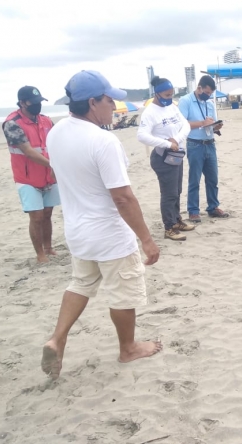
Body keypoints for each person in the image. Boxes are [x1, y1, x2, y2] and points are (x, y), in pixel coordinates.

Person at [43, 70, 162, 379]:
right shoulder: (102, 140)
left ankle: (57, 338)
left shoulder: (55, 133)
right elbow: (122, 197)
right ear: (93, 102)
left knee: (81, 282)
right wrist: (147, 239)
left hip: (77, 230)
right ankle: (128, 348)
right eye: (110, 101)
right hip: (108, 233)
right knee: (123, 291)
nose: (114, 107)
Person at [2, 86, 60, 263]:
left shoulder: (46, 121)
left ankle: (48, 247)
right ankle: (40, 254)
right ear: (22, 103)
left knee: (48, 213)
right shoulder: (12, 123)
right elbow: (27, 150)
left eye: (39, 102)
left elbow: (56, 143)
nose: (37, 106)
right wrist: (53, 164)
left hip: (48, 175)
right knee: (36, 217)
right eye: (33, 103)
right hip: (26, 178)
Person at [138, 76, 194, 241]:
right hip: (163, 158)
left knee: (177, 191)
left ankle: (177, 220)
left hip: (176, 155)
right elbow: (141, 136)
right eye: (167, 95)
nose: (170, 98)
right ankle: (169, 227)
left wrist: (176, 140)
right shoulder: (150, 113)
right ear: (157, 94)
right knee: (168, 193)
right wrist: (166, 144)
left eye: (172, 95)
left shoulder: (172, 107)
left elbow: (186, 125)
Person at [178, 75, 228, 223]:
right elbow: (182, 124)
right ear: (199, 88)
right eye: (206, 93)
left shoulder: (210, 104)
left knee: (213, 179)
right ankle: (193, 210)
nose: (208, 96)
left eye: (210, 94)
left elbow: (210, 123)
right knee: (194, 179)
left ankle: (213, 207)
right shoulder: (185, 101)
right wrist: (202, 123)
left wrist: (216, 126)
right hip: (195, 144)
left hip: (210, 143)